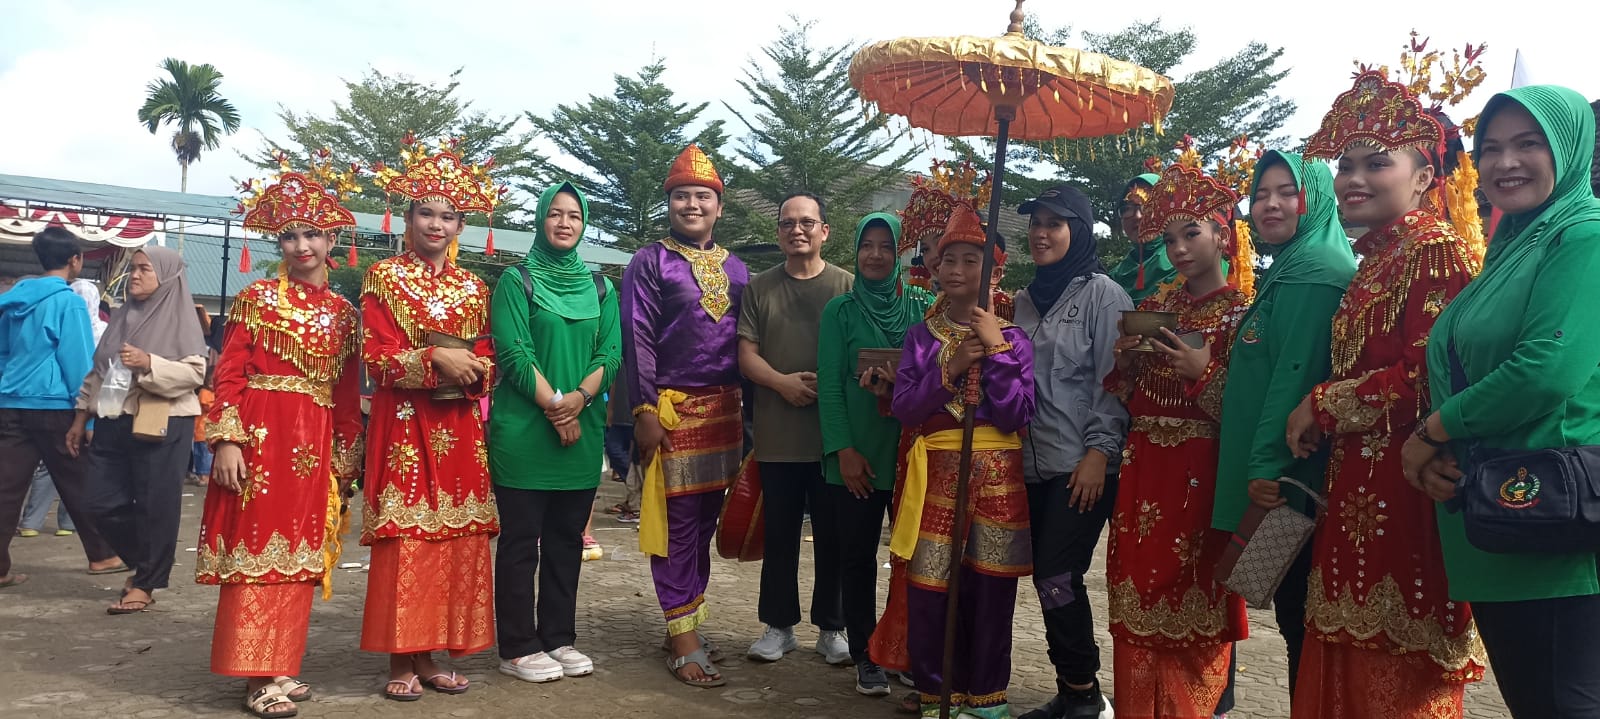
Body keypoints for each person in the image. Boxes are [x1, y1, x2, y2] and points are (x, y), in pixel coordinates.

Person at [1283, 68, 1488, 718]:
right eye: (1345, 164)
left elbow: (1426, 373)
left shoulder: (1435, 252)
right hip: (1359, 493)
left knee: (1391, 678)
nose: (1353, 178)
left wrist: (1321, 403)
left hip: (1407, 493)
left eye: (1377, 163)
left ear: (1425, 177)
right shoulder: (1380, 258)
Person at [1402, 84, 1600, 718]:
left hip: (1560, 529)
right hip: (1498, 519)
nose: (1504, 162)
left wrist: (1433, 430)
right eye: (1490, 148)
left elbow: (1546, 370)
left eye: (1528, 143)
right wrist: (1439, 451)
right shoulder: (1510, 249)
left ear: (1569, 149)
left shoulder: (1583, 237)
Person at [198, 160, 366, 717]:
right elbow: (228, 375)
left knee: (300, 554)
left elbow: (345, 393)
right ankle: (255, 676)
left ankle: (281, 662)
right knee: (257, 553)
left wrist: (346, 452)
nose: (300, 245)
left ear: (331, 239)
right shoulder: (257, 300)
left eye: (311, 233)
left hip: (314, 444)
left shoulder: (345, 314)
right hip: (261, 438)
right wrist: (226, 440)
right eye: (290, 235)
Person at [1103, 158, 1253, 719]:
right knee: (1137, 593)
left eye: (1192, 232)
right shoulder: (1154, 310)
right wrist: (1126, 364)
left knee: (1193, 596)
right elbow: (1125, 397)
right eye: (1170, 238)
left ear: (1223, 233)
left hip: (1202, 472)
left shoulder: (1244, 315)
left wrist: (1204, 372)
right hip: (1143, 469)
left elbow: (1249, 410)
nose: (1180, 248)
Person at [1210, 149, 1357, 699]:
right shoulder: (1293, 265)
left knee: (1300, 618)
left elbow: (1294, 375)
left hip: (1287, 479)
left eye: (1285, 192)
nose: (1269, 204)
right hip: (1280, 471)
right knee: (1297, 620)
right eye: (1261, 193)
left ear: (1313, 200)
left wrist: (1266, 467)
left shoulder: (1314, 273)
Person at [361, 138, 500, 699]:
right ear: (408, 217)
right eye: (426, 212)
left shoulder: (475, 287)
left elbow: (490, 355)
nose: (436, 224)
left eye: (447, 215)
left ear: (461, 224)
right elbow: (374, 355)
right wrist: (433, 357)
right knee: (408, 537)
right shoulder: (384, 278)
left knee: (454, 539)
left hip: (460, 428)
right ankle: (401, 656)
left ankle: (436, 651)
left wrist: (473, 368)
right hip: (405, 427)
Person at [890, 203, 1033, 719]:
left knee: (991, 589)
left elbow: (1019, 412)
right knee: (930, 587)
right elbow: (905, 408)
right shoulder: (921, 338)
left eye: (971, 260)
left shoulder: (1014, 338)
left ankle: (988, 696)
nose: (956, 270)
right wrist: (951, 367)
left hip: (998, 477)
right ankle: (936, 693)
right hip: (937, 477)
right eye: (948, 259)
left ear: (994, 271)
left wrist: (994, 352)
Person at [621, 144, 750, 688]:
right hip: (672, 411)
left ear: (718, 206)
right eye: (681, 197)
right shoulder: (650, 261)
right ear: (668, 204)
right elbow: (637, 337)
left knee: (701, 527)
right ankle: (683, 637)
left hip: (724, 413)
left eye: (702, 196)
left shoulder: (738, 267)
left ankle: (687, 618)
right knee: (674, 527)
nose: (691, 204)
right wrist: (645, 407)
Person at [489, 180, 621, 684]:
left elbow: (610, 356)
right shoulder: (514, 281)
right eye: (555, 214)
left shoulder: (604, 288)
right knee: (522, 542)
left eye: (574, 216)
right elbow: (515, 355)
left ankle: (558, 637)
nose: (565, 223)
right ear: (540, 219)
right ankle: (518, 646)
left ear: (584, 224)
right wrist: (556, 407)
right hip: (525, 434)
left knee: (567, 540)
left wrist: (578, 402)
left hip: (580, 434)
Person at [1010, 184, 1130, 719]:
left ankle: (1085, 691)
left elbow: (1116, 380)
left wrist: (1100, 454)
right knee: (1047, 575)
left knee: (1057, 573)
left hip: (1080, 465)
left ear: (1077, 231)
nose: (1041, 233)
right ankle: (1071, 688)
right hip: (1029, 465)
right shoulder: (1023, 299)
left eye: (1054, 223)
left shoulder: (1104, 295)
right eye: (1035, 223)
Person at [816, 212, 934, 696]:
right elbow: (828, 385)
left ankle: (902, 650)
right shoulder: (839, 313)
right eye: (868, 245)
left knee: (912, 558)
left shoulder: (924, 306)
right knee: (858, 558)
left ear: (900, 252)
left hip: (912, 452)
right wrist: (843, 449)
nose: (876, 255)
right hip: (857, 455)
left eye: (886, 246)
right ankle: (866, 652)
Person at [739, 191, 853, 664]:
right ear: (779, 232)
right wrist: (782, 383)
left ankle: (833, 627)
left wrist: (826, 388)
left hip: (834, 441)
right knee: (780, 536)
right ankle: (778, 625)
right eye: (788, 223)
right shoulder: (759, 287)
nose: (797, 230)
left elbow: (857, 353)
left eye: (807, 222)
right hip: (777, 437)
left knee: (834, 537)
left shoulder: (847, 286)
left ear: (825, 230)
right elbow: (745, 355)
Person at [71, 246, 208, 613]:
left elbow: (196, 373)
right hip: (113, 417)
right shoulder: (121, 316)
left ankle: (146, 581)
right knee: (97, 502)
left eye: (145, 269)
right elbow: (99, 370)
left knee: (155, 505)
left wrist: (150, 363)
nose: (135, 275)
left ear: (166, 276)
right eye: (133, 269)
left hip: (164, 420)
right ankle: (144, 559)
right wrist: (81, 417)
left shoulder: (181, 317)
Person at [0, 228, 123, 589]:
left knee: (5, 487)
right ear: (75, 260)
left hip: (10, 401)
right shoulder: (67, 302)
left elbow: (4, 354)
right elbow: (77, 360)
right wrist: (85, 414)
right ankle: (102, 555)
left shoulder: (11, 300)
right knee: (79, 480)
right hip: (55, 405)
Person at [1107, 171, 1180, 304]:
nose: (1138, 216)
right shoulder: (1114, 277)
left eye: (1147, 206)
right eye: (1127, 208)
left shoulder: (1187, 264)